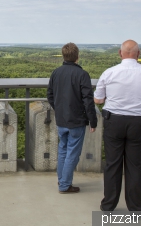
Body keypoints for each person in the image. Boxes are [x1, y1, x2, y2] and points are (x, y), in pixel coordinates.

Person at [94, 40, 141, 211]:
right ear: (138, 54)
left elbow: (98, 100)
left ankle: (108, 205)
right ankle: (135, 207)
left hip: (114, 121)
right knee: (134, 166)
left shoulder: (109, 73)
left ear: (120, 53)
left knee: (112, 164)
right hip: (138, 122)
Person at [47, 42, 97, 194]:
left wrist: (59, 109)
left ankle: (61, 179)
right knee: (72, 153)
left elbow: (50, 95)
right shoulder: (82, 75)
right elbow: (88, 101)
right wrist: (92, 121)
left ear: (64, 56)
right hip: (77, 121)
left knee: (63, 150)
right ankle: (64, 185)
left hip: (61, 120)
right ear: (77, 57)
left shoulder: (56, 72)